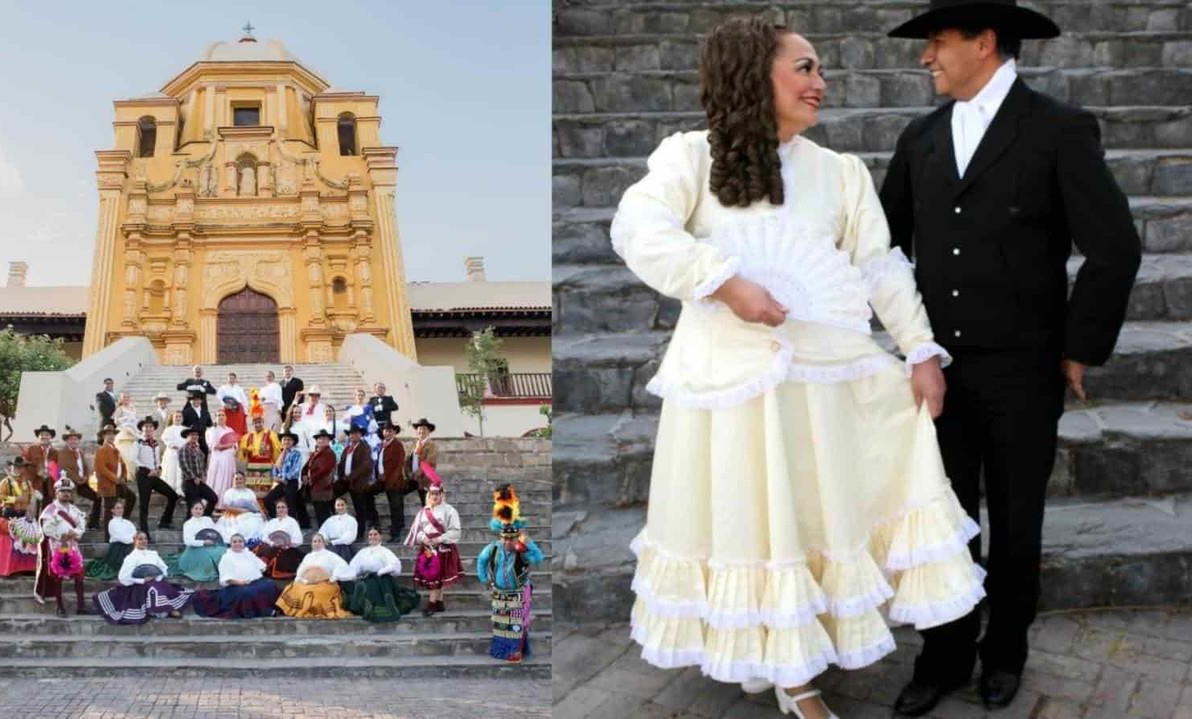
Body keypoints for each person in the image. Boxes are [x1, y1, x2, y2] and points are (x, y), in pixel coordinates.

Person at [610, 18, 986, 718]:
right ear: (757, 77)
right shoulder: (690, 157)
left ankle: (795, 654)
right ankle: (788, 672)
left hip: (820, 377)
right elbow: (639, 229)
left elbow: (878, 265)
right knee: (753, 520)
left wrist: (920, 347)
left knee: (810, 516)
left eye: (820, 69)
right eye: (805, 68)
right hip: (732, 383)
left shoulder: (838, 172)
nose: (821, 82)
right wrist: (724, 281)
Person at [879, 2, 1141, 714]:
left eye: (937, 42)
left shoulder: (1057, 128)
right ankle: (944, 653)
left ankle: (1007, 650)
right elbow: (883, 249)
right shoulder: (922, 135)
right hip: (937, 368)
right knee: (944, 515)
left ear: (984, 41)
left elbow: (1115, 247)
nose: (926, 57)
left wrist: (1078, 347)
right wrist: (903, 342)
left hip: (1024, 367)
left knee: (1018, 517)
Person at [477, 485, 545, 663]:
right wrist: (485, 579)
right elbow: (481, 561)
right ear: (500, 537)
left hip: (519, 592)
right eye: (505, 538)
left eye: (511, 538)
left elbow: (538, 558)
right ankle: (500, 650)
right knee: (501, 624)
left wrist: (525, 548)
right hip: (500, 593)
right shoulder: (493, 548)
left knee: (517, 624)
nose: (508, 541)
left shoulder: (523, 546)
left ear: (516, 536)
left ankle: (516, 651)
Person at [95, 532, 191, 624]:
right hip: (139, 586)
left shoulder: (153, 554)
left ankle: (166, 608)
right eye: (140, 539)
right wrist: (141, 580)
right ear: (134, 541)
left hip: (155, 581)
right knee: (153, 589)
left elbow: (163, 568)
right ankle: (169, 609)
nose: (143, 541)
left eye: (145, 539)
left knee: (160, 586)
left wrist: (158, 576)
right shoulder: (131, 558)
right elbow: (123, 577)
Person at [404, 473, 461, 616]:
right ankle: (439, 602)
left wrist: (439, 539)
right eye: (432, 494)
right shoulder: (423, 511)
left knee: (437, 576)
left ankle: (432, 603)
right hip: (427, 547)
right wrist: (423, 538)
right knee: (433, 575)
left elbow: (455, 531)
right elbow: (416, 530)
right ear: (428, 495)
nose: (434, 496)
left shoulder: (450, 511)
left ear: (442, 494)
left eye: (437, 493)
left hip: (443, 547)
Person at [190, 533, 282, 619]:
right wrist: (240, 582)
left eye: (240, 541)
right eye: (234, 542)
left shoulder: (248, 554)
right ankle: (265, 611)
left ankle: (275, 607)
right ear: (231, 544)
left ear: (243, 543)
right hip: (236, 586)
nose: (237, 544)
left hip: (253, 582)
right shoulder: (227, 557)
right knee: (248, 593)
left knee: (270, 586)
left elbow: (262, 567)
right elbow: (227, 579)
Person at [35, 477, 90, 617]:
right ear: (56, 493)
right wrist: (62, 535)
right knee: (58, 576)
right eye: (63, 491)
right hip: (57, 546)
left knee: (79, 575)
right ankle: (60, 607)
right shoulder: (50, 510)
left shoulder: (75, 510)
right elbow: (45, 529)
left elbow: (81, 526)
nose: (66, 494)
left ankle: (81, 606)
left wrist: (75, 533)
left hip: (73, 545)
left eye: (68, 491)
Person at [0, 458, 41, 576]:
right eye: (16, 467)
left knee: (24, 541)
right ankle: (9, 568)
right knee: (10, 542)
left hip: (23, 514)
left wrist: (33, 498)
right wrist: (15, 499)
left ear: (23, 469)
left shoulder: (27, 483)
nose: (18, 469)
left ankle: (22, 568)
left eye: (20, 467)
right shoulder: (5, 482)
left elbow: (30, 498)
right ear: (11, 468)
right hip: (9, 513)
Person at [274, 533, 356, 619]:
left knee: (315, 593)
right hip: (307, 583)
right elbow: (301, 569)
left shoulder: (331, 556)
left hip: (325, 583)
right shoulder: (308, 556)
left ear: (324, 543)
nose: (317, 543)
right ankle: (296, 610)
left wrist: (333, 577)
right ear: (312, 544)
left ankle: (314, 610)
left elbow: (342, 566)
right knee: (293, 587)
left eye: (319, 541)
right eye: (314, 541)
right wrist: (301, 579)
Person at [346, 528, 419, 623]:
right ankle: (364, 607)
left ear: (380, 536)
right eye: (370, 535)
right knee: (361, 586)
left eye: (375, 534)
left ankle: (382, 607)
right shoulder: (363, 552)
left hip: (383, 578)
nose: (372, 537)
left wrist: (382, 571)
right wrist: (352, 575)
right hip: (368, 577)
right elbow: (354, 566)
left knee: (373, 587)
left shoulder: (385, 551)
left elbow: (395, 565)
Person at [133, 417, 179, 540]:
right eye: (146, 427)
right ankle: (144, 531)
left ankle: (165, 521)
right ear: (142, 428)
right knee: (144, 504)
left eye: (150, 427)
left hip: (154, 474)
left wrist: (158, 468)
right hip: (144, 475)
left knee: (173, 495)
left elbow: (157, 458)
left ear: (153, 429)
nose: (148, 429)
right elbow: (134, 458)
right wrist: (147, 470)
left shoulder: (156, 443)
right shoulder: (138, 442)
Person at [92, 424, 136, 537]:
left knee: (132, 497)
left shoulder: (115, 449)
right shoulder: (101, 450)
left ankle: (123, 521)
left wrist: (124, 476)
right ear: (103, 437)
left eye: (112, 434)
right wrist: (115, 478)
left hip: (118, 483)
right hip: (109, 484)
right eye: (108, 434)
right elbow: (101, 468)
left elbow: (122, 465)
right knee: (109, 511)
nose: (111, 436)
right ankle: (108, 536)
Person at [338, 425, 379, 539]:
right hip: (348, 482)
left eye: (355, 433)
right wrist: (342, 476)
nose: (353, 436)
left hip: (359, 483)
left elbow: (365, 466)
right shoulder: (347, 449)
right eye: (351, 434)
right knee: (356, 506)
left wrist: (351, 476)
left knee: (360, 508)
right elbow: (341, 464)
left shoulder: (364, 448)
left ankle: (360, 532)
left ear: (360, 435)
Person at [56, 426, 100, 530]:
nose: (73, 441)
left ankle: (93, 523)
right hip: (70, 484)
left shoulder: (80, 452)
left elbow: (85, 467)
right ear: (67, 441)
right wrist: (77, 479)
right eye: (71, 439)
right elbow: (64, 469)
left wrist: (86, 477)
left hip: (82, 482)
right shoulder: (62, 453)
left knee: (97, 497)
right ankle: (68, 525)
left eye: (75, 439)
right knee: (68, 503)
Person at [173, 499, 226, 582]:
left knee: (223, 551)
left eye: (200, 509)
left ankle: (224, 572)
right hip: (195, 548)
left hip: (211, 545)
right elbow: (187, 541)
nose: (198, 511)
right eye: (196, 508)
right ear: (191, 510)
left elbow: (215, 532)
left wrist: (214, 539)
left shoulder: (207, 519)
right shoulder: (188, 524)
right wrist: (203, 542)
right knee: (206, 557)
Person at [84, 499, 137, 580]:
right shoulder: (112, 522)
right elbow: (119, 536)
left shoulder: (128, 523)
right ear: (113, 510)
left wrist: (131, 540)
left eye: (121, 508)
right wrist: (130, 539)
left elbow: (134, 533)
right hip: (117, 549)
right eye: (117, 508)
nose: (120, 510)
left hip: (129, 546)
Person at [255, 500, 305, 579]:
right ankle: (262, 568)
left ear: (287, 509)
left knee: (278, 551)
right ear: (276, 509)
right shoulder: (272, 522)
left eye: (283, 507)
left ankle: (269, 569)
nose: (280, 509)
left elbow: (299, 539)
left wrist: (287, 544)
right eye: (278, 507)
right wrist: (271, 543)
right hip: (272, 545)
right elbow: (264, 536)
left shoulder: (292, 521)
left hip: (286, 548)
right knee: (262, 547)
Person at [267, 431, 307, 527]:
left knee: (290, 502)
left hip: (292, 482)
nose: (286, 441)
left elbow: (295, 470)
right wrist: (276, 477)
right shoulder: (281, 454)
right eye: (284, 439)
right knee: (268, 500)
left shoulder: (296, 453)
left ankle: (291, 525)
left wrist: (283, 478)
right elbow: (275, 468)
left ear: (293, 442)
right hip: (281, 482)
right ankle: (277, 520)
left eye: (289, 440)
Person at [239, 408, 280, 503]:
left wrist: (276, 465)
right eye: (255, 423)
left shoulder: (271, 434)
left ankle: (265, 508)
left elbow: (277, 451)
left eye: (260, 422)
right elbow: (242, 455)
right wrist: (245, 450)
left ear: (263, 423)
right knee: (253, 489)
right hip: (252, 468)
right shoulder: (247, 436)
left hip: (266, 467)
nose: (258, 424)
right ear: (252, 424)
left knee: (265, 488)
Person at [376, 424, 408, 542]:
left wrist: (392, 480)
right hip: (384, 480)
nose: (387, 433)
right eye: (386, 431)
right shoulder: (383, 445)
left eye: (390, 431)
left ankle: (397, 533)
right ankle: (395, 527)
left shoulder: (397, 445)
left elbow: (399, 465)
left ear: (394, 433)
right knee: (393, 505)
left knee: (396, 507)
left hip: (394, 482)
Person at [178, 427, 218, 520]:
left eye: (196, 435)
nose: (194, 436)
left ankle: (204, 518)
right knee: (192, 507)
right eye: (192, 435)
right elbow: (184, 466)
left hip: (199, 481)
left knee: (213, 498)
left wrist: (203, 474)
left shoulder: (198, 449)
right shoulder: (184, 449)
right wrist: (194, 477)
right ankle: (188, 527)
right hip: (189, 482)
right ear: (187, 436)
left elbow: (202, 464)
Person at [216, 472, 266, 545]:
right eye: (236, 479)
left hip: (249, 513)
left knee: (255, 522)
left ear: (244, 480)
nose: (238, 481)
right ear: (233, 480)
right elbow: (226, 507)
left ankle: (251, 541)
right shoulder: (229, 492)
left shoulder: (249, 491)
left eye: (240, 479)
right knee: (240, 526)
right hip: (233, 514)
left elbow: (255, 503)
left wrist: (262, 512)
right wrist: (241, 510)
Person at [303, 429, 338, 529]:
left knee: (323, 513)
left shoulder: (329, 453)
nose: (320, 440)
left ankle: (325, 534)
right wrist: (304, 474)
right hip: (315, 487)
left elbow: (324, 469)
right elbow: (306, 467)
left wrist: (311, 478)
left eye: (323, 439)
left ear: (328, 441)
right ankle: (322, 533)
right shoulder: (315, 453)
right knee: (319, 512)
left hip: (323, 487)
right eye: (318, 438)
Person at [21, 423, 60, 511]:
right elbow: (24, 464)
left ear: (50, 437)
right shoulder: (31, 449)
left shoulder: (55, 452)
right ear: (38, 437)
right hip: (35, 483)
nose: (44, 437)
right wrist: (37, 471)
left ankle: (44, 524)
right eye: (41, 435)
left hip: (49, 484)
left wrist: (52, 473)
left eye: (46, 435)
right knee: (34, 508)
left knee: (48, 508)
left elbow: (58, 469)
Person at [205, 408, 239, 499]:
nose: (221, 417)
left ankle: (227, 502)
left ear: (226, 418)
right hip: (218, 459)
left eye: (223, 415)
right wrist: (228, 445)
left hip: (229, 458)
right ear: (215, 418)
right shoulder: (212, 430)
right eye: (218, 415)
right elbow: (213, 446)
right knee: (218, 480)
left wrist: (234, 447)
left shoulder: (230, 430)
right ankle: (216, 502)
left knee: (228, 479)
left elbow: (235, 443)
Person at [408, 418, 438, 507]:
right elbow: (408, 461)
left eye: (424, 429)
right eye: (420, 429)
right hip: (414, 478)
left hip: (426, 479)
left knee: (427, 504)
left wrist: (418, 473)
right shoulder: (414, 445)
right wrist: (409, 473)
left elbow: (429, 461)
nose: (421, 431)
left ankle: (430, 520)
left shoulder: (432, 445)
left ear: (429, 431)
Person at [159, 410, 186, 494]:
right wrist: (174, 446)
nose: (178, 418)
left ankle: (180, 490)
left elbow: (187, 441)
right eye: (176, 417)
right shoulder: (168, 429)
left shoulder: (185, 429)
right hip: (172, 453)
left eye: (180, 416)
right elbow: (165, 439)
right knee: (171, 470)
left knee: (180, 471)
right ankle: (170, 489)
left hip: (182, 454)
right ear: (173, 418)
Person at [181, 390, 214, 456]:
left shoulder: (205, 412)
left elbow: (209, 424)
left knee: (204, 458)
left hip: (203, 440)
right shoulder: (185, 412)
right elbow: (182, 426)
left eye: (198, 399)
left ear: (201, 401)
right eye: (193, 400)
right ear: (190, 401)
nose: (196, 401)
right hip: (191, 440)